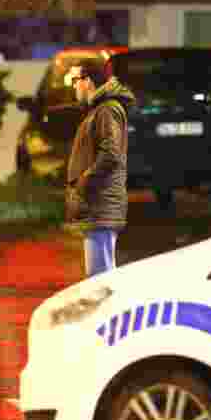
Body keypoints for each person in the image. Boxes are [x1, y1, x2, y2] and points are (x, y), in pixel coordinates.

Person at [63, 59, 135, 277]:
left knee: (100, 281)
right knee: (103, 278)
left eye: (75, 80)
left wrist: (85, 180)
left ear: (88, 81)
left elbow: (111, 154)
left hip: (100, 204)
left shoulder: (106, 110)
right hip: (99, 205)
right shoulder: (101, 109)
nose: (74, 86)